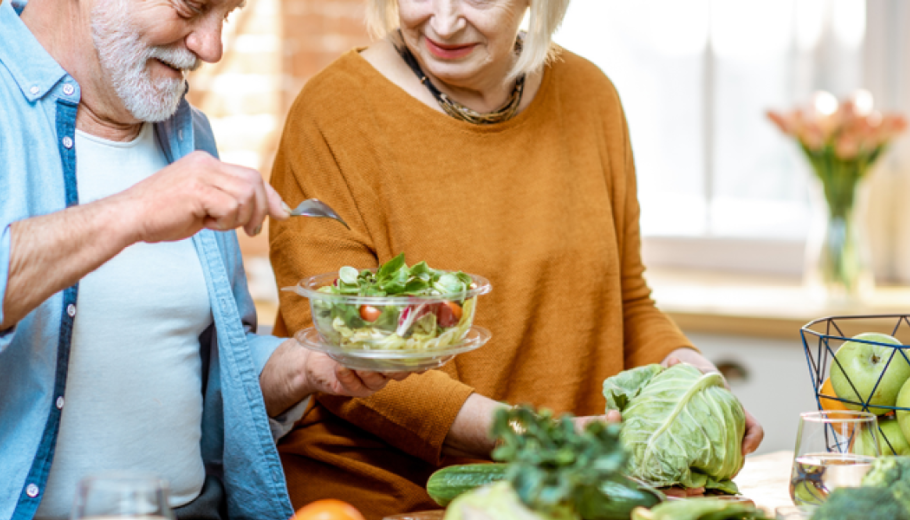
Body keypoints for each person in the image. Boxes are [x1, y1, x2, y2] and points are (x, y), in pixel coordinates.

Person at [268, 0, 765, 518]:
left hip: (559, 495)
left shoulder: (590, 96)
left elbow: (626, 301)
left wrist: (694, 378)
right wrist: (534, 437)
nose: (443, 21)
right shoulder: (333, 112)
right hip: (385, 499)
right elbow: (338, 350)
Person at [0, 0, 409, 519]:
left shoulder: (187, 134)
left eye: (228, 16)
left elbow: (210, 377)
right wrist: (134, 210)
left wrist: (312, 365)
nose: (210, 48)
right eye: (192, 7)